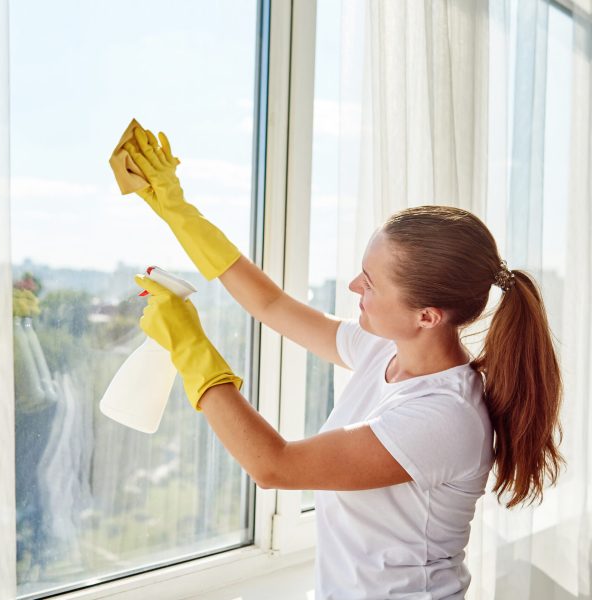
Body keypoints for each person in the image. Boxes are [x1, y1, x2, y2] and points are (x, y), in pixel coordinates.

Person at [122, 125, 566, 599]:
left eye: (371, 282)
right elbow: (271, 305)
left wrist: (191, 347)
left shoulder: (443, 416)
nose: (355, 286)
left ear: (427, 315)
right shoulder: (385, 351)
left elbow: (274, 466)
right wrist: (175, 206)